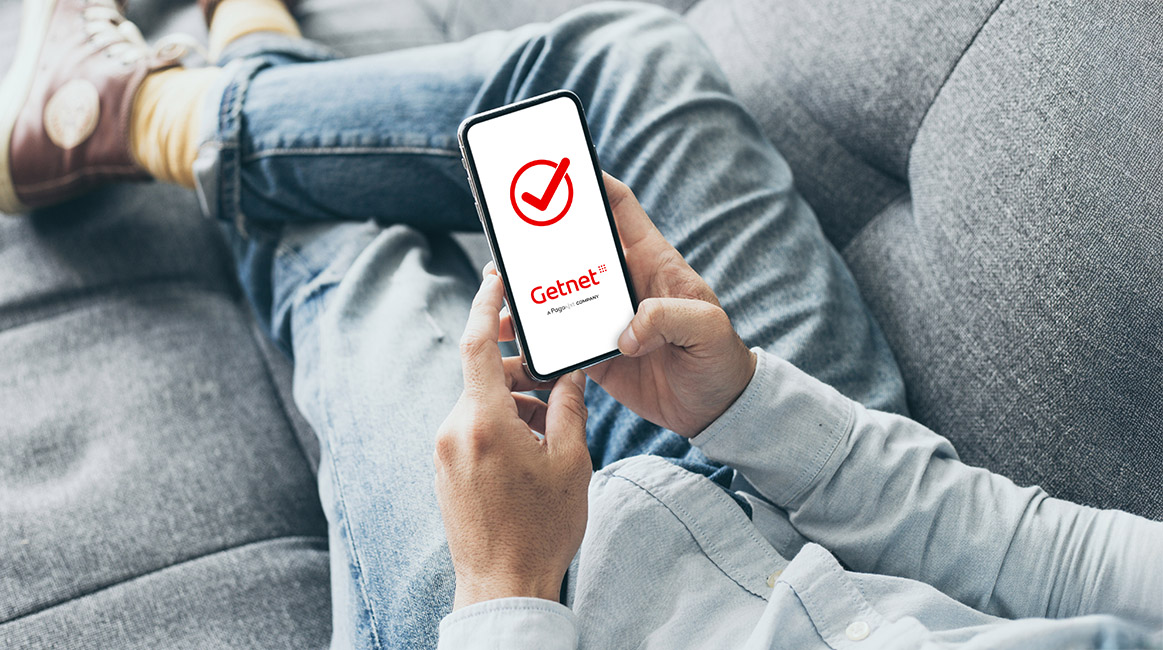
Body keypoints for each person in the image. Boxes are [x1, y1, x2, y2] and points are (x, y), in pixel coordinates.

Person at [2, 0, 1161, 647]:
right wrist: (749, 403)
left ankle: (196, 87)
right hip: (814, 522)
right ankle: (178, 104)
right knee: (619, 67)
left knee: (360, 270)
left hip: (546, 619)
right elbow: (1044, 553)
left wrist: (504, 585)